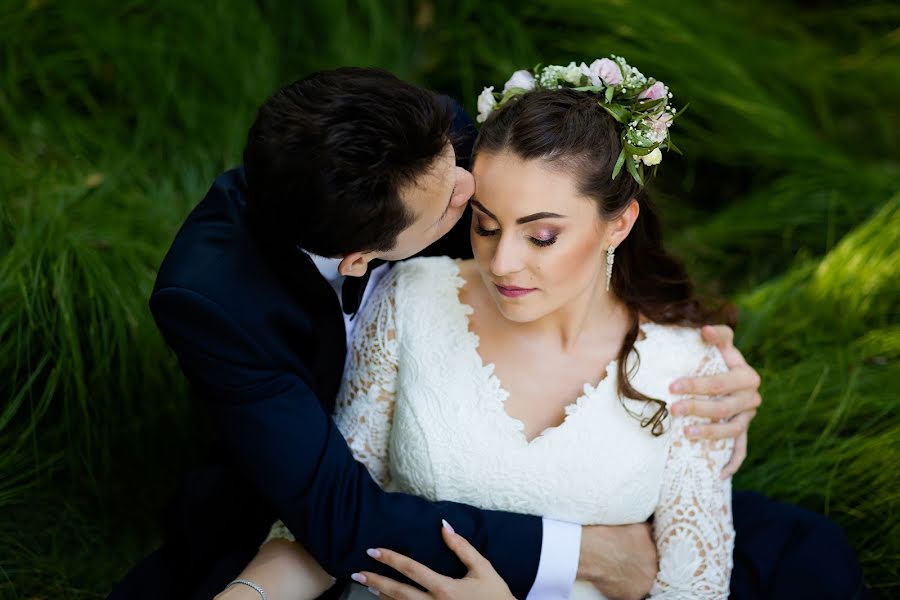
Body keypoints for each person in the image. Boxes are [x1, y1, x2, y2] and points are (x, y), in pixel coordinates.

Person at [107, 66, 851, 600]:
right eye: (474, 220)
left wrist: (725, 396)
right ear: (365, 257)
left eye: (539, 232)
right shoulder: (225, 299)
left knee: (802, 557)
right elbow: (338, 515)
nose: (477, 208)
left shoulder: (436, 146)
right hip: (325, 499)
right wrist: (583, 555)